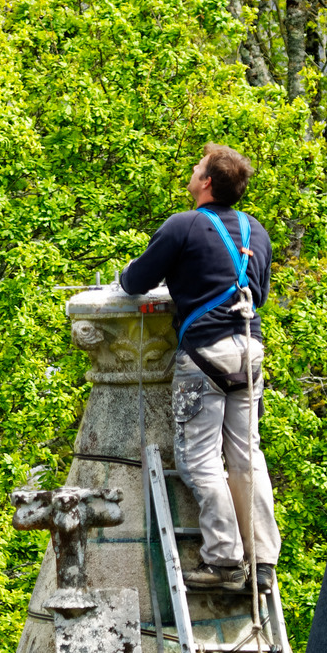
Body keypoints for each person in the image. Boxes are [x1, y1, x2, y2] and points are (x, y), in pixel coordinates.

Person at [118, 143, 281, 591]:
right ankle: (263, 561)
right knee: (248, 458)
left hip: (206, 354)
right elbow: (259, 295)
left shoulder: (183, 226)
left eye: (197, 168)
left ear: (207, 182)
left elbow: (136, 281)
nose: (191, 171)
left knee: (198, 460)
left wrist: (126, 275)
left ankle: (225, 560)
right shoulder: (256, 232)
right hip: (250, 352)